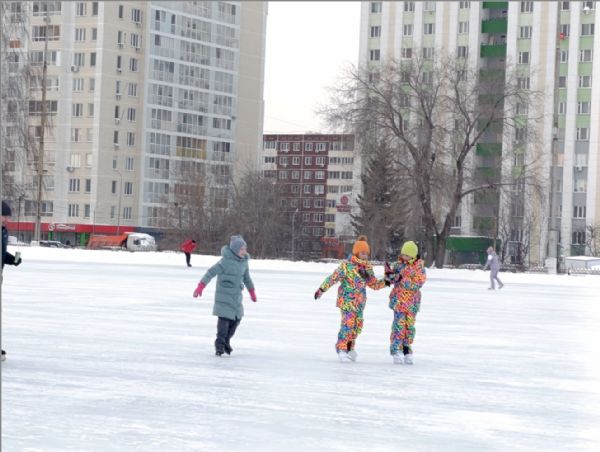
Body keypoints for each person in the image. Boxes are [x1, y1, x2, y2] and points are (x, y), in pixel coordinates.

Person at [314, 235, 386, 362]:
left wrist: (387, 281)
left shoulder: (367, 268)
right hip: (347, 301)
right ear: (356, 252)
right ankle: (341, 349)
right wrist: (322, 289)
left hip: (359, 303)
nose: (365, 256)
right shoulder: (346, 266)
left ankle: (349, 347)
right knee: (348, 325)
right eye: (362, 253)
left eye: (366, 254)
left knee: (357, 326)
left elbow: (374, 284)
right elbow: (333, 278)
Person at [192, 235, 256, 356]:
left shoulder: (244, 263)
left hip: (236, 299)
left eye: (245, 249)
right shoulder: (225, 262)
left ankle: (226, 341)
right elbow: (210, 273)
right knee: (223, 324)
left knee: (236, 321)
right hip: (223, 299)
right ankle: (219, 347)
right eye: (242, 249)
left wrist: (252, 291)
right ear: (235, 250)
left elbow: (247, 278)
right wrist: (200, 286)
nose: (244, 251)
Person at [385, 241, 426, 365]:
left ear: (413, 256)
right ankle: (396, 350)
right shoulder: (398, 265)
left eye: (407, 255)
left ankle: (406, 348)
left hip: (412, 303)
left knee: (410, 327)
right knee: (399, 326)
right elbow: (391, 280)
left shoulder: (419, 267)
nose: (404, 257)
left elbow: (418, 283)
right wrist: (389, 275)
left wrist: (403, 279)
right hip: (399, 302)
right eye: (403, 254)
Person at [2, 201, 23, 362]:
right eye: (4, 216)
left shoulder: (3, 232)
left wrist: (12, 260)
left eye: (7, 217)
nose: (6, 219)